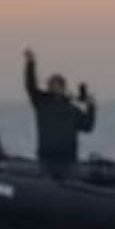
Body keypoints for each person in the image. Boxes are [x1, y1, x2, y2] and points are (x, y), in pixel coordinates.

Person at [23, 48, 96, 178]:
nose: (54, 87)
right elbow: (30, 85)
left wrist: (91, 107)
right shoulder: (42, 102)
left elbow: (88, 126)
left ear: (63, 87)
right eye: (51, 84)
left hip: (68, 159)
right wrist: (31, 63)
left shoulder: (72, 109)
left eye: (57, 84)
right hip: (47, 158)